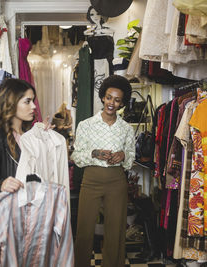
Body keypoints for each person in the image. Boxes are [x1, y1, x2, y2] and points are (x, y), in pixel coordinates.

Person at [71, 75, 135, 267]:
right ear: (102, 97)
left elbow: (131, 159)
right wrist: (95, 153)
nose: (111, 103)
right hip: (90, 180)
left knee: (115, 232)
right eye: (109, 97)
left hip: (117, 182)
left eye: (117, 100)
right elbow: (76, 157)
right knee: (84, 230)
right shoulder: (86, 125)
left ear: (122, 103)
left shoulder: (126, 129)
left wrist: (123, 156)